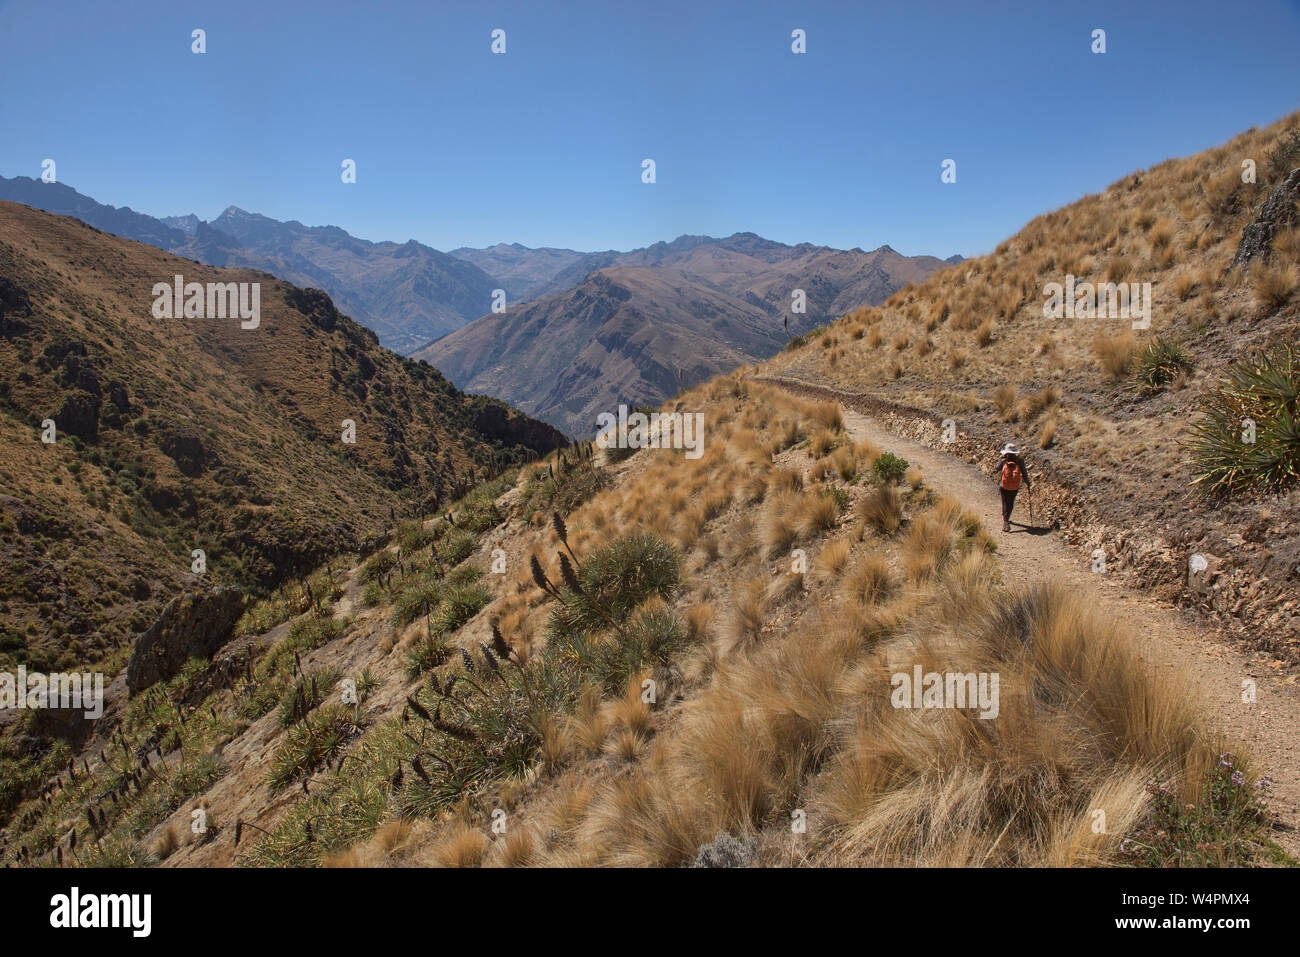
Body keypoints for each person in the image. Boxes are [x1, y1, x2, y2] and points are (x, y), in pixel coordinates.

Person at [996, 442, 1030, 532]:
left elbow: (997, 468)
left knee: (1004, 502)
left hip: (1004, 485)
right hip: (1014, 486)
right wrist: (1027, 482)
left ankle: (1005, 521)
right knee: (1010, 503)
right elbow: (1024, 473)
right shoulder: (1020, 461)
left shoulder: (1004, 460)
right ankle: (1006, 518)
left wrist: (1001, 459)